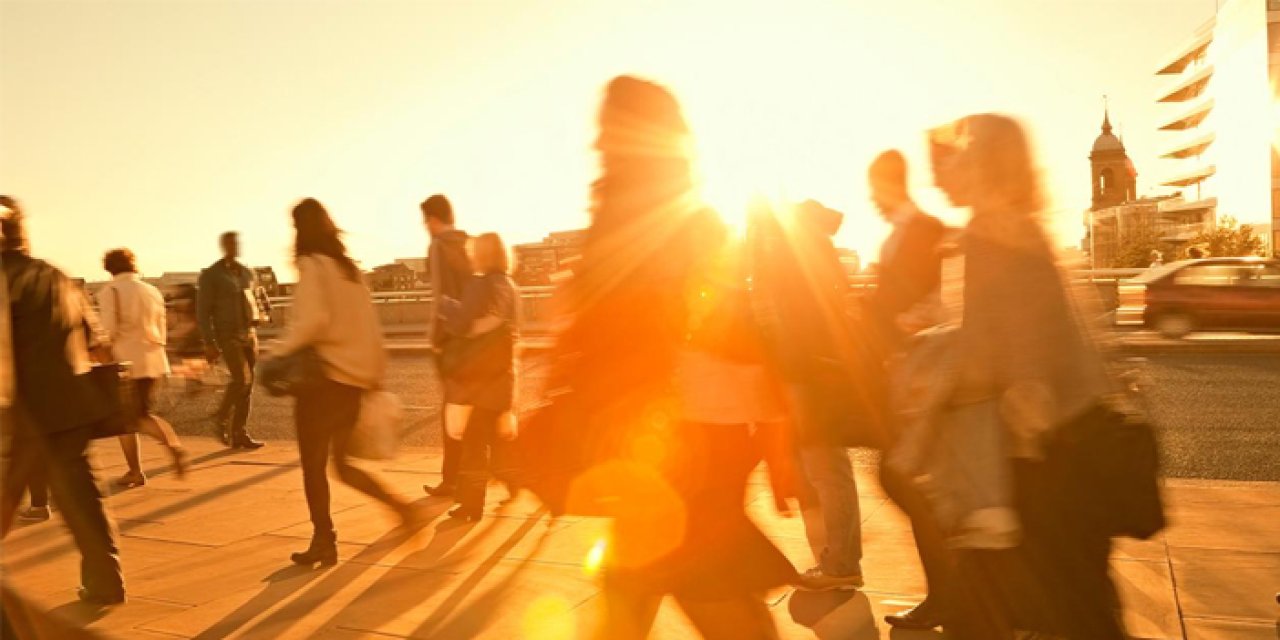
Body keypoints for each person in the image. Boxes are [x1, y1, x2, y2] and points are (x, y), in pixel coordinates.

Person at [544, 76, 796, 640]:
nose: (599, 141)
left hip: (684, 442)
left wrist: (779, 440)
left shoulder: (670, 222)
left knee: (694, 591)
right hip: (667, 441)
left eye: (610, 126)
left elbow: (733, 333)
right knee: (636, 589)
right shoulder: (655, 217)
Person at [928, 114, 1123, 639]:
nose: (952, 161)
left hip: (1040, 463)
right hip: (1066, 451)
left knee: (998, 617)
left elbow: (1012, 365)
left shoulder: (992, 232)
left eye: (965, 150)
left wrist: (931, 375)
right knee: (1076, 613)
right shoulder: (1021, 225)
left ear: (988, 162)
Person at [267, 198, 415, 566]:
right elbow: (370, 327)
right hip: (353, 381)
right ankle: (400, 507)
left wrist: (277, 351)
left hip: (323, 380)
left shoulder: (312, 265)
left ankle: (324, 541)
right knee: (343, 464)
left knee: (314, 467)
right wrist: (373, 375)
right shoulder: (350, 271)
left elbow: (312, 321)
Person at [0, 195, 125, 605]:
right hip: (69, 405)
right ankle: (106, 581)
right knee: (81, 497)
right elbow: (95, 339)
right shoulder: (54, 275)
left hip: (20, 409)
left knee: (11, 493)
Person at [752, 198, 870, 592]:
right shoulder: (807, 252)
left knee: (827, 469)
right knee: (821, 469)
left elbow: (793, 323)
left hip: (808, 376)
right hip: (808, 373)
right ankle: (836, 557)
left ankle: (841, 561)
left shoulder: (792, 256)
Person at [862, 150, 956, 631]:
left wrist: (896, 324)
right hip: (904, 374)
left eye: (873, 188)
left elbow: (934, 300)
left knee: (905, 481)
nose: (870, 200)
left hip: (924, 376)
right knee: (909, 483)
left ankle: (951, 592)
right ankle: (950, 591)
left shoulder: (924, 230)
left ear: (889, 183)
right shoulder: (903, 233)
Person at [440, 232, 519, 522]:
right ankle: (518, 480)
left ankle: (472, 505)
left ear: (481, 254)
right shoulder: (510, 286)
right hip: (504, 376)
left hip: (480, 377)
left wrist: (446, 305)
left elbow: (462, 323)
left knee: (474, 442)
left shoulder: (480, 284)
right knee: (496, 439)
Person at [99, 248, 188, 487]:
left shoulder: (111, 291)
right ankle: (135, 471)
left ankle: (172, 446)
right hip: (154, 358)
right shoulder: (152, 291)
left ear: (109, 267)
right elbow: (163, 326)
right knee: (128, 417)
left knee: (134, 417)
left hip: (125, 362)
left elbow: (108, 331)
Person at [420, 194, 471, 498]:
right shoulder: (469, 243)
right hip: (474, 339)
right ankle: (483, 472)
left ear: (434, 219)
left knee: (452, 410)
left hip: (451, 339)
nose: (425, 226)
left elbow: (441, 297)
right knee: (474, 409)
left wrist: (436, 340)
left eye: (426, 220)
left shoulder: (439, 246)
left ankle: (452, 479)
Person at [197, 231, 265, 449]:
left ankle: (239, 433)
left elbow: (257, 298)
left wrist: (261, 313)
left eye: (236, 242)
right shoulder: (212, 275)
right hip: (228, 335)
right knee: (241, 379)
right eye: (230, 243)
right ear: (223, 246)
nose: (234, 246)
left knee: (248, 385)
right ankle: (222, 416)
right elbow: (202, 311)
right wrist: (209, 341)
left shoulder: (247, 272)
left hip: (249, 334)